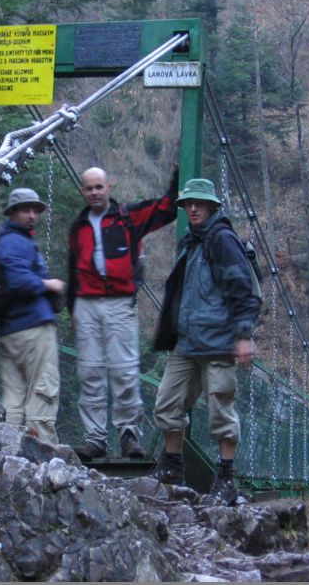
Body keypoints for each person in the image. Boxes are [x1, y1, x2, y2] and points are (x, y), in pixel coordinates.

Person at [151, 178, 261, 505]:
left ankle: (226, 480)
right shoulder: (192, 241)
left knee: (221, 412)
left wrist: (243, 336)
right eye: (188, 204)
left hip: (217, 343)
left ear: (212, 205)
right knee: (167, 404)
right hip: (187, 343)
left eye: (199, 203)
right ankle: (172, 468)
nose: (193, 208)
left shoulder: (222, 239)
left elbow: (242, 289)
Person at [67, 166, 179, 460]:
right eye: (89, 188)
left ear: (109, 186)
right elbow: (72, 268)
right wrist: (72, 309)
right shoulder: (78, 227)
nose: (94, 192)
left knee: (124, 370)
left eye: (99, 187)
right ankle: (94, 439)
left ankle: (129, 434)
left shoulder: (128, 217)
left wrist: (178, 173)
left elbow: (167, 209)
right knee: (89, 372)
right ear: (83, 191)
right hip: (87, 304)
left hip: (118, 303)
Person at [0, 187, 66, 445]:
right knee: (43, 393)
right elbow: (18, 280)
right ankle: (45, 460)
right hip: (33, 329)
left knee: (13, 399)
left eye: (35, 210)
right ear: (12, 212)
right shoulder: (15, 242)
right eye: (26, 209)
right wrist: (50, 285)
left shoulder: (4, 241)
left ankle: (10, 456)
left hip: (9, 330)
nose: (32, 215)